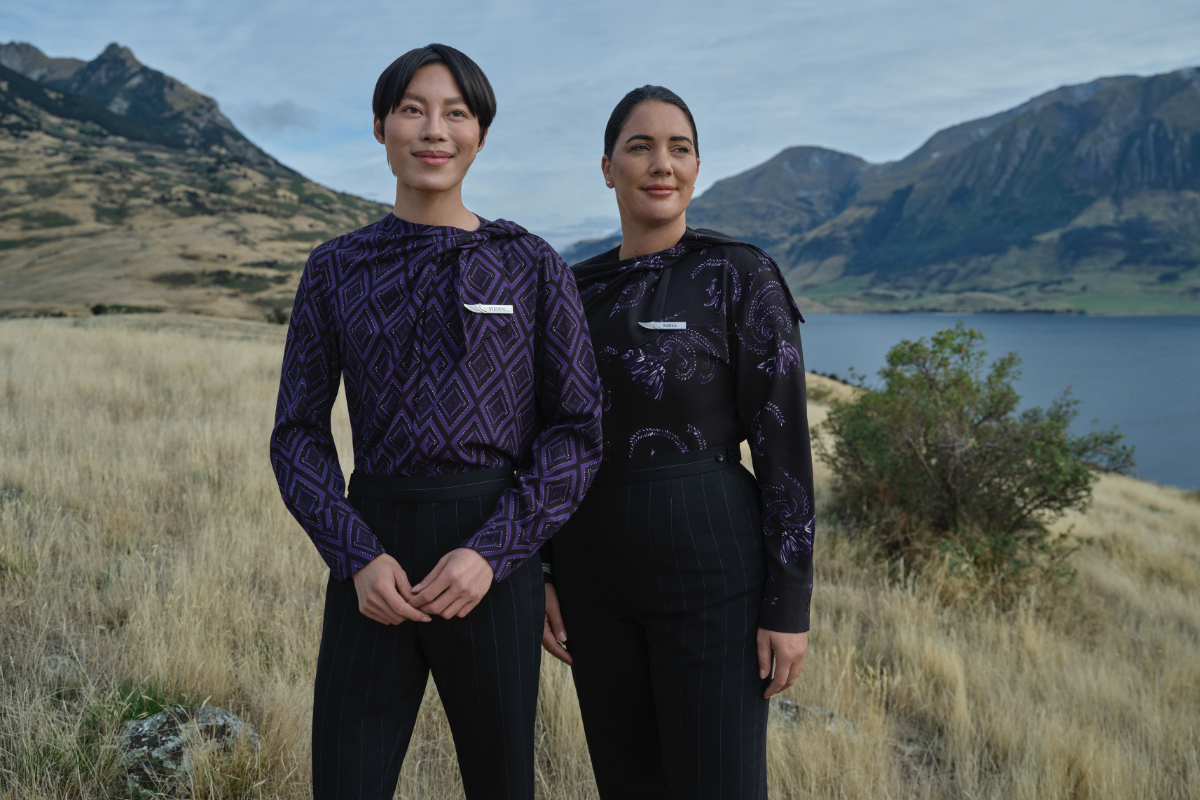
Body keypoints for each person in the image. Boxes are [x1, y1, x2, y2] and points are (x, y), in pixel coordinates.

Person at [270, 44, 603, 800]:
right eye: (414, 109)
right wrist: (354, 555)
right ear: (382, 126)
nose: (434, 130)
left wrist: (494, 552)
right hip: (373, 548)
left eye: (456, 113)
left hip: (490, 554)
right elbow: (297, 433)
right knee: (346, 780)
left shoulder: (529, 263)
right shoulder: (335, 266)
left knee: (501, 782)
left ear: (480, 133)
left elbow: (578, 430)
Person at [541, 85, 815, 799]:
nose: (661, 163)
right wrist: (543, 571)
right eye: (640, 147)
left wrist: (789, 605)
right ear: (607, 168)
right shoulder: (573, 292)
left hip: (712, 569)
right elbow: (545, 439)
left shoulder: (741, 276)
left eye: (679, 148)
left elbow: (784, 449)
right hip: (592, 573)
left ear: (697, 168)